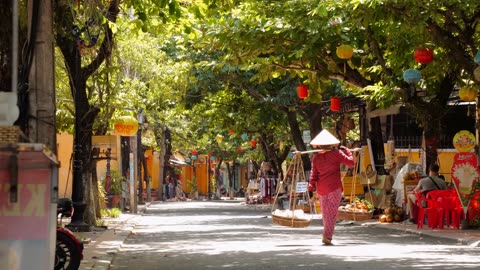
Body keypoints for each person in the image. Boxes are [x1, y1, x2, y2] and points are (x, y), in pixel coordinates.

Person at [308, 129, 360, 245]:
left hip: (321, 189)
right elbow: (351, 163)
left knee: (326, 214)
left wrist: (311, 185)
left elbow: (314, 174)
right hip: (334, 188)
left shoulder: (316, 158)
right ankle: (327, 236)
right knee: (331, 213)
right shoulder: (337, 153)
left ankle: (326, 234)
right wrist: (347, 151)